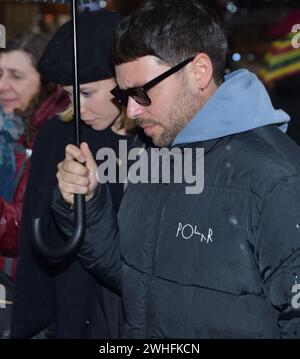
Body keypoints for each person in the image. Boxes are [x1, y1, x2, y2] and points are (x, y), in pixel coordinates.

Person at [53, 0, 300, 339]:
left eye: (142, 92)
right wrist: (86, 203)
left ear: (198, 72)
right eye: (124, 96)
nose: (133, 112)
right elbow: (134, 277)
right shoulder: (153, 148)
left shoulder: (276, 178)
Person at [11, 11, 149, 339]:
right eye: (71, 95)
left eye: (87, 93)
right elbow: (37, 245)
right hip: (73, 315)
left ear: (124, 81)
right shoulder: (59, 135)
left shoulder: (155, 137)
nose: (79, 107)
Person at [0, 33, 68, 280]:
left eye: (16, 76)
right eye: (0, 74)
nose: (2, 85)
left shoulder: (54, 136)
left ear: (47, 83)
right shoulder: (10, 127)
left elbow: (27, 228)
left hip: (22, 284)